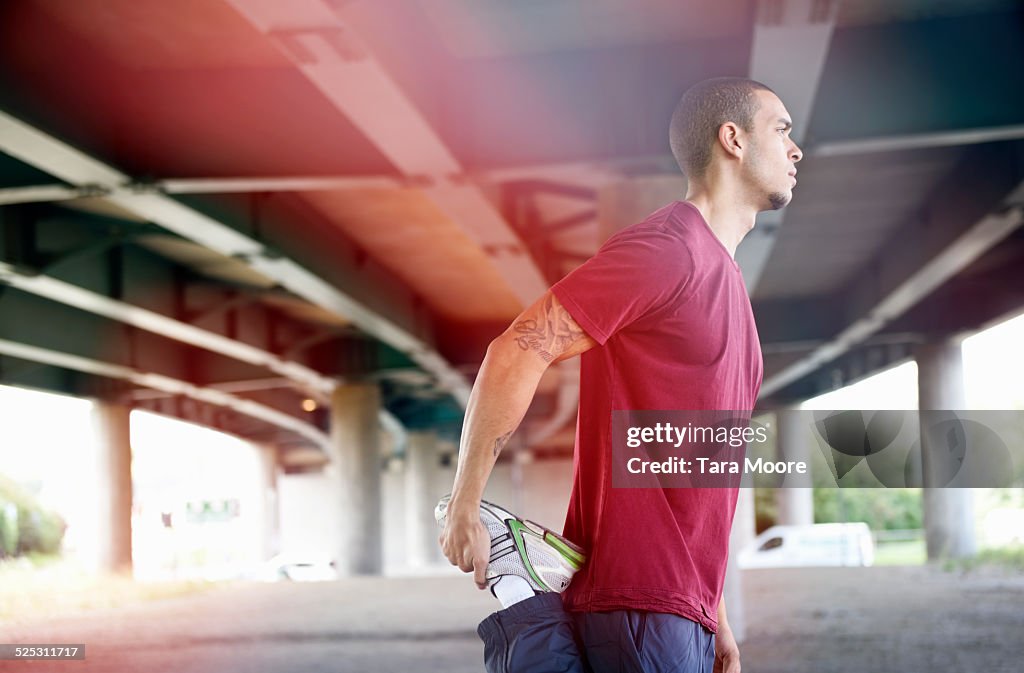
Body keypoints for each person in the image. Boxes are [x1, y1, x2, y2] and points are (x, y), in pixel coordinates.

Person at [437, 77, 803, 673]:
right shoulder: (668, 251)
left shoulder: (727, 280)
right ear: (732, 139)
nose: (796, 149)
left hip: (676, 608)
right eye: (781, 130)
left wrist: (713, 613)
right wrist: (464, 504)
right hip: (637, 603)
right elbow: (515, 349)